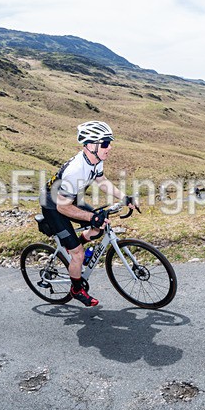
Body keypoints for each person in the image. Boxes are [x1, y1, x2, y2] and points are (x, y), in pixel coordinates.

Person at [40, 121, 138, 306]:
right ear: (91, 145)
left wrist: (125, 198)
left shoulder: (95, 160)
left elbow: (101, 181)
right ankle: (76, 289)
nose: (109, 147)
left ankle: (77, 249)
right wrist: (91, 216)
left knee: (99, 227)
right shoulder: (76, 170)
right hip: (54, 206)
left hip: (70, 200)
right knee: (77, 253)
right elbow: (63, 208)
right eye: (106, 143)